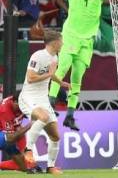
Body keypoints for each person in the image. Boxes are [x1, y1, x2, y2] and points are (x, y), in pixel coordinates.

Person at [48, 0, 110, 131]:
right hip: (70, 36)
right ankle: (51, 102)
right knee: (62, 67)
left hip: (86, 42)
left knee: (77, 78)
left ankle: (69, 115)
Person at [18, 30, 70, 175]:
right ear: (54, 42)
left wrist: (61, 82)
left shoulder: (55, 57)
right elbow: (30, 78)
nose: (63, 43)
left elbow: (50, 75)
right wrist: (49, 73)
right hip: (29, 97)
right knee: (44, 116)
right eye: (61, 40)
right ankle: (28, 150)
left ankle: (50, 167)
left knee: (55, 136)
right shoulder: (38, 56)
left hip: (43, 99)